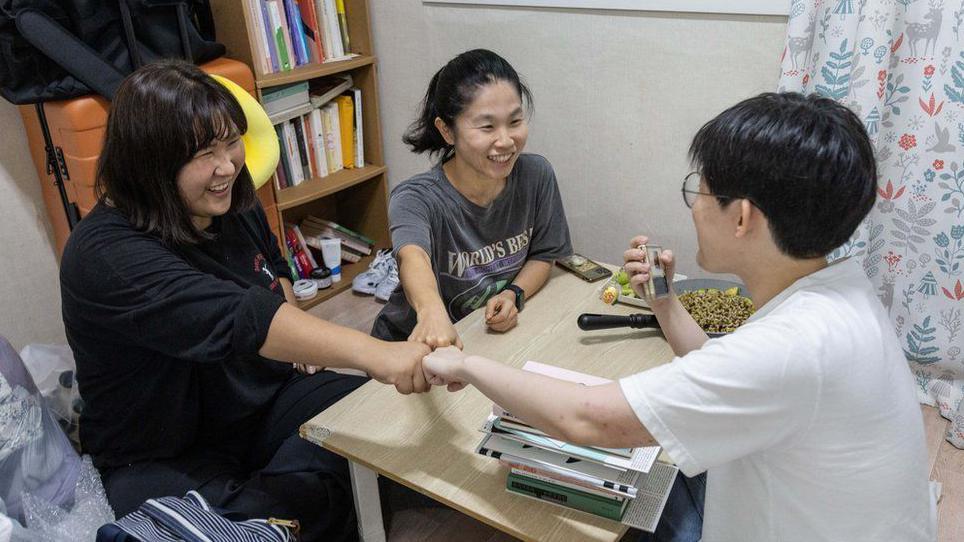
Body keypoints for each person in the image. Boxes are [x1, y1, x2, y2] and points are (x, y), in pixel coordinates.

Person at [421, 93, 934, 541]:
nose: (693, 207)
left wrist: (465, 366)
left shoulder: (789, 349)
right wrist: (662, 299)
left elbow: (585, 417)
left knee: (628, 485)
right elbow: (726, 372)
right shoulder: (837, 289)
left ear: (742, 217)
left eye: (701, 191)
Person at [58, 60, 431, 542]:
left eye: (231, 142)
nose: (228, 166)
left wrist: (300, 336)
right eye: (204, 154)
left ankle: (273, 517)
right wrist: (379, 355)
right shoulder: (104, 255)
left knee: (378, 419)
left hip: (263, 402)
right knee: (288, 497)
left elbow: (274, 271)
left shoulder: (231, 198)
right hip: (162, 452)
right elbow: (238, 316)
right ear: (147, 164)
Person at [369, 49, 572, 347]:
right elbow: (412, 257)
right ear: (447, 131)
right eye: (487, 126)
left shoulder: (536, 175)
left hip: (481, 336)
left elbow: (544, 255)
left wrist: (513, 293)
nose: (505, 141)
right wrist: (430, 310)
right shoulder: (416, 198)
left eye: (514, 122)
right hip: (409, 345)